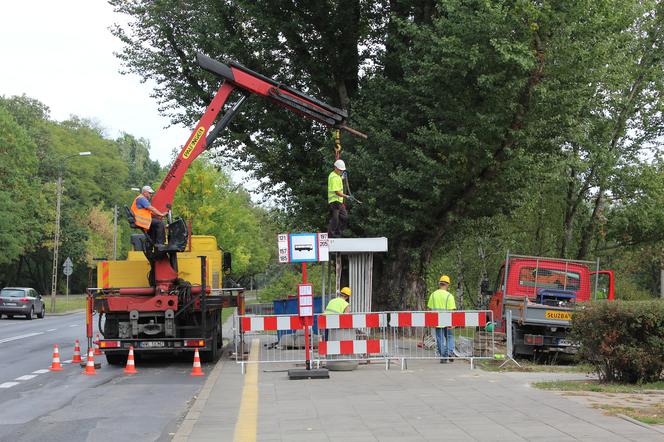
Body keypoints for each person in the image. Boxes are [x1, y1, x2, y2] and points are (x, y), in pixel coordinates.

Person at [427, 275, 457, 363]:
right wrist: (453, 322)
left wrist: (430, 321)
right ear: (447, 284)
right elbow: (452, 310)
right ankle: (449, 352)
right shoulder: (449, 296)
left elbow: (429, 309)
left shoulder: (433, 295)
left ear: (440, 284)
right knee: (450, 337)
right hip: (447, 320)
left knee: (439, 339)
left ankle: (444, 356)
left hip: (436, 320)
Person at [327, 159, 349, 238]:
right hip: (334, 201)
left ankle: (338, 233)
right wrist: (346, 196)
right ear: (335, 168)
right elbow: (337, 192)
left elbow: (339, 179)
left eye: (342, 170)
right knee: (335, 219)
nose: (341, 172)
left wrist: (342, 177)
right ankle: (331, 235)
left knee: (344, 217)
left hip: (339, 201)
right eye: (340, 170)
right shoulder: (333, 177)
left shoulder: (337, 175)